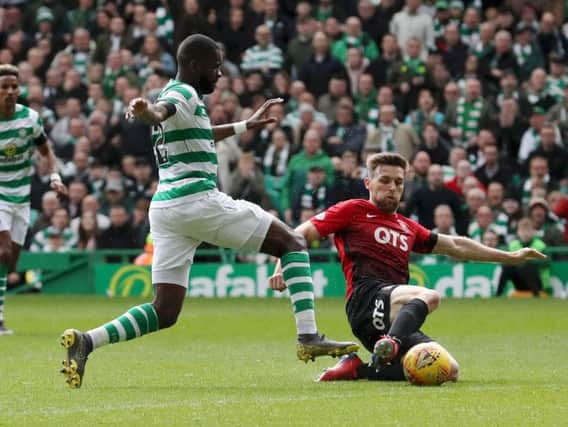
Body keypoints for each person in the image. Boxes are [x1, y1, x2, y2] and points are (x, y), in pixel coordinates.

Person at [59, 34, 356, 389]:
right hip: (197, 201)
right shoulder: (182, 93)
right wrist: (147, 111)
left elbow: (197, 133)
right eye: (215, 67)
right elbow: (161, 109)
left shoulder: (181, 96)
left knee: (164, 310)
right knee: (292, 243)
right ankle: (309, 336)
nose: (220, 74)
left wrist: (246, 125)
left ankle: (86, 341)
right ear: (194, 65)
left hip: (166, 208)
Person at [269, 152, 545, 382]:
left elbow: (457, 245)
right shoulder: (353, 210)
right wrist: (282, 264)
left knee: (448, 370)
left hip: (395, 318)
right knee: (429, 296)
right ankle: (393, 344)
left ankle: (357, 368)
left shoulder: (407, 226)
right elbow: (299, 234)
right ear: (368, 182)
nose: (392, 187)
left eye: (398, 183)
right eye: (385, 180)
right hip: (366, 299)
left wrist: (510, 257)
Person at [0, 64, 67, 336]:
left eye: (14, 87)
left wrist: (54, 176)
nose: (10, 92)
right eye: (4, 87)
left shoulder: (30, 118)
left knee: (11, 263)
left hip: (21, 197)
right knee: (3, 250)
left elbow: (45, 151)